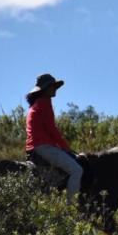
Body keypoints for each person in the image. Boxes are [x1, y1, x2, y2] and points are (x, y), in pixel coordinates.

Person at [25, 73, 83, 203]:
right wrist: (66, 148)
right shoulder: (44, 102)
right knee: (76, 170)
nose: (55, 89)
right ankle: (71, 206)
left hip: (34, 147)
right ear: (45, 89)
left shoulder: (35, 104)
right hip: (42, 146)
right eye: (52, 86)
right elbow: (52, 129)